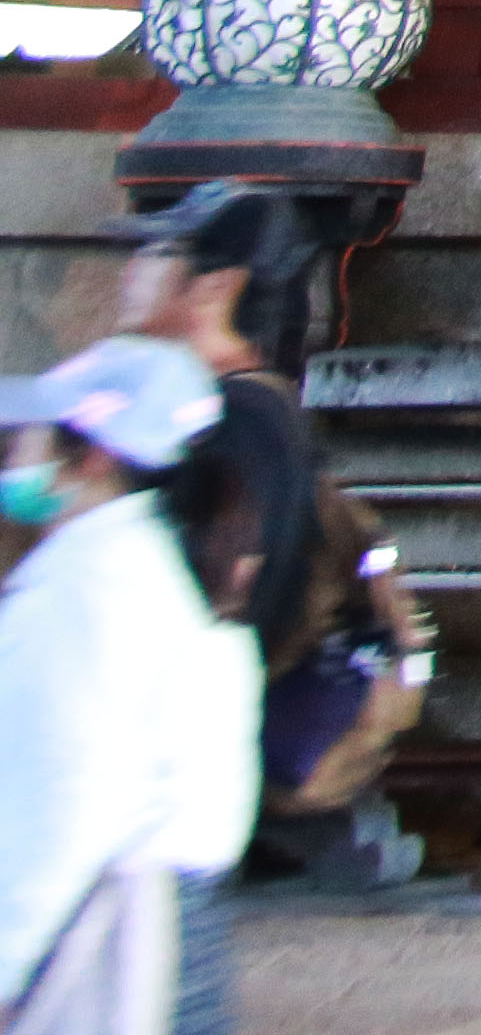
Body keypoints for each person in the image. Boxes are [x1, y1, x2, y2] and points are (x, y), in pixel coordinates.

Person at [115, 185, 422, 901]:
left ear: (217, 285)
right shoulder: (202, 403)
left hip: (186, 734)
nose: (130, 271)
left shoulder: (244, 422)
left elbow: (239, 601)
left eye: (157, 255)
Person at [0, 339, 269, 1034]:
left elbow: (67, 799)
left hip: (112, 935)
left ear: (92, 456)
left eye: (30, 438)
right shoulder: (157, 569)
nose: (13, 454)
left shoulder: (88, 589)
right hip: (168, 926)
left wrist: (6, 961)